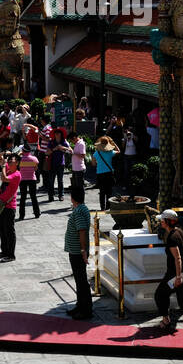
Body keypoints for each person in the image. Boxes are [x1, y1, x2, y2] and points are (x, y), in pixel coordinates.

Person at [154, 210, 183, 333]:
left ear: (168, 221)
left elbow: (177, 258)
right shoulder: (180, 231)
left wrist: (178, 277)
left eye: (162, 220)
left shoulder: (172, 238)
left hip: (175, 274)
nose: (161, 222)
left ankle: (166, 319)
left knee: (160, 294)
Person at [65, 186, 92, 319]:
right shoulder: (81, 209)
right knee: (79, 279)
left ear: (72, 198)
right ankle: (80, 305)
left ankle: (86, 310)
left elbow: (82, 231)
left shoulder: (79, 211)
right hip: (75, 250)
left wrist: (83, 251)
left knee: (81, 280)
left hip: (77, 251)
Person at [0, 153, 22, 261]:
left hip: (9, 206)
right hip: (1, 205)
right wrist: (5, 152)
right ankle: (4, 251)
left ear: (17, 163)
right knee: (1, 229)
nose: (9, 162)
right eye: (9, 160)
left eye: (12, 161)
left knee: (9, 231)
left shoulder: (16, 174)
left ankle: (11, 255)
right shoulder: (9, 170)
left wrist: (4, 165)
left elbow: (4, 178)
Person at [92, 135, 117, 210]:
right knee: (109, 191)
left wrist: (98, 163)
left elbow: (93, 164)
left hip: (100, 174)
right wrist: (113, 143)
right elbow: (119, 151)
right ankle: (108, 207)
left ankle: (102, 208)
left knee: (102, 192)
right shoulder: (110, 152)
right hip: (109, 173)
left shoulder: (96, 153)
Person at [47, 128, 70, 201]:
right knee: (51, 180)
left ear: (61, 134)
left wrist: (62, 147)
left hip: (61, 163)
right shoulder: (51, 142)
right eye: (56, 133)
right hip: (52, 163)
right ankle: (51, 195)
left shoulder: (64, 142)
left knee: (60, 180)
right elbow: (47, 152)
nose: (57, 134)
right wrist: (55, 149)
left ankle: (61, 195)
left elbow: (70, 150)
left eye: (58, 133)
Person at [17, 146, 40, 219]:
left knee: (23, 198)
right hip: (32, 179)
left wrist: (19, 154)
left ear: (23, 151)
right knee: (33, 197)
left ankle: (21, 215)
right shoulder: (34, 159)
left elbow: (17, 167)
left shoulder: (20, 160)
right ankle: (37, 213)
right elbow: (36, 169)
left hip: (22, 180)